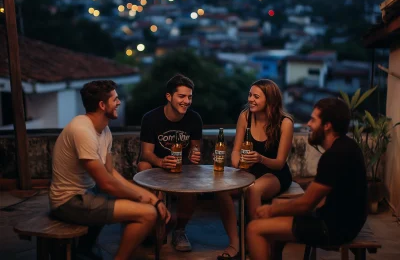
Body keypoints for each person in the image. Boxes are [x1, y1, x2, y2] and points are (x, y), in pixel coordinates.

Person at [49, 80, 171, 260]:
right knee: (148, 213)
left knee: (145, 200)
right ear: (102, 105)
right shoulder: (82, 130)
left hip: (89, 192)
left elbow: (110, 172)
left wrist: (150, 197)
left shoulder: (104, 130)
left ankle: (85, 250)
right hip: (69, 201)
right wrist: (147, 200)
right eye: (115, 99)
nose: (119, 102)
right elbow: (106, 183)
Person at [246, 98, 368, 260]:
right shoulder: (348, 146)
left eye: (313, 120)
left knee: (254, 228)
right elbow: (322, 198)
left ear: (327, 125)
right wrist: (281, 207)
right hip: (347, 221)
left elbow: (306, 205)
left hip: (333, 228)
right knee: (276, 217)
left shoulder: (334, 156)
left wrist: (271, 209)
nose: (308, 124)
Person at [216, 79, 294, 259]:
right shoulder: (245, 116)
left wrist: (260, 158)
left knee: (253, 189)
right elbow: (235, 150)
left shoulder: (285, 123)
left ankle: (257, 241)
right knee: (222, 190)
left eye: (256, 96)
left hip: (274, 173)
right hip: (248, 171)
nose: (251, 99)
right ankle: (236, 244)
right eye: (250, 95)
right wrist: (237, 164)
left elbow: (280, 162)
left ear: (270, 100)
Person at [138, 74, 203, 252]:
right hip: (156, 165)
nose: (186, 101)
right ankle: (156, 226)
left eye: (189, 97)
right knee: (143, 167)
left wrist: (195, 155)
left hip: (181, 167)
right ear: (169, 96)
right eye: (181, 96)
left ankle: (179, 230)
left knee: (194, 180)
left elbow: (195, 149)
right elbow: (146, 154)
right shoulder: (151, 118)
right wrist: (161, 161)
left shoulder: (194, 118)